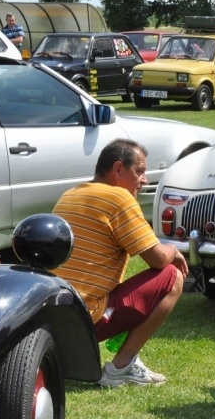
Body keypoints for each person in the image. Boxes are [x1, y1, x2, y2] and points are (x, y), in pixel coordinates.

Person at [52, 138, 188, 388]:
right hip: (87, 317)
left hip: (54, 315)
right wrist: (173, 250)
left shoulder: (70, 194)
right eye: (139, 171)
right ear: (117, 169)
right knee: (171, 277)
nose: (144, 180)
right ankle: (121, 368)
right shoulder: (119, 199)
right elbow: (157, 259)